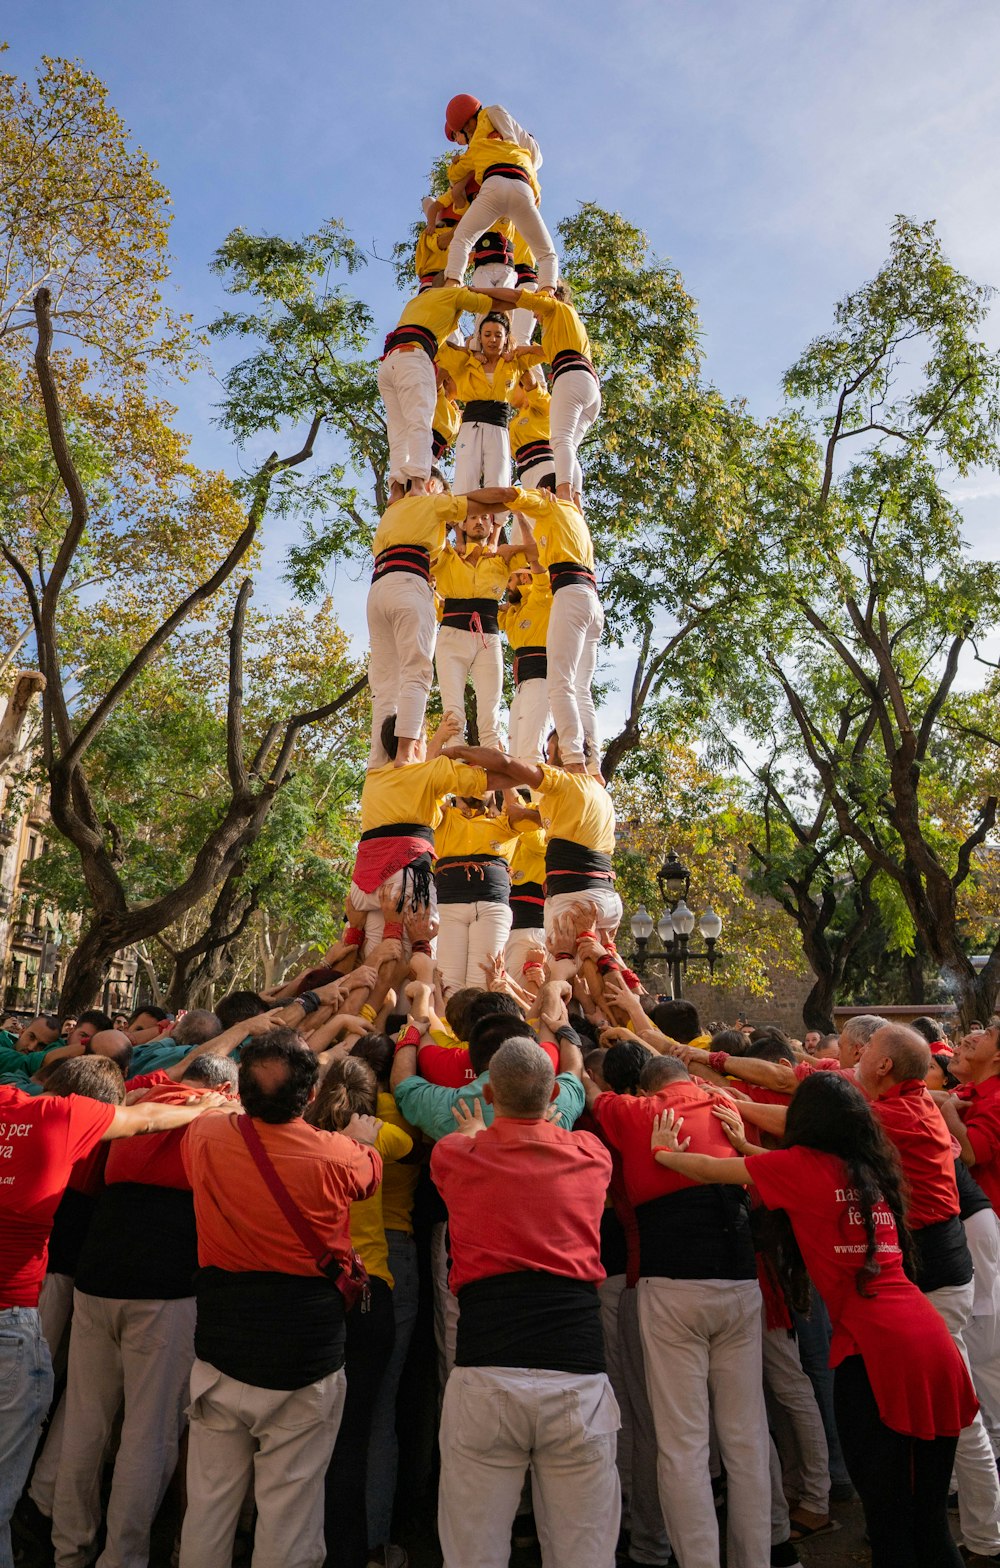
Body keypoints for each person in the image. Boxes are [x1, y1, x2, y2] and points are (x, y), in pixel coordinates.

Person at [651, 1070, 977, 1568]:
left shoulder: (802, 1167)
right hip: (928, 1339)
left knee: (888, 1523)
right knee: (929, 1520)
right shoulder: (869, 1169)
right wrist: (745, 1144)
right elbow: (789, 1172)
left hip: (876, 1352)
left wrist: (662, 1154)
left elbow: (710, 1170)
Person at [0, 1071, 224, 1568]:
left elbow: (143, 1107)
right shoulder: (64, 1118)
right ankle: (121, 1558)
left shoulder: (51, 1102)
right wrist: (207, 1108)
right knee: (147, 1432)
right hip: (150, 1288)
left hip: (96, 1279)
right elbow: (147, 1116)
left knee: (83, 1419)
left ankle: (67, 1548)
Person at [178, 1028, 382, 1568]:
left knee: (208, 1508)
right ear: (310, 1097)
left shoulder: (204, 1137)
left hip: (221, 1350)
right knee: (289, 1515)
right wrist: (364, 1137)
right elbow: (370, 1174)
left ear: (241, 1091)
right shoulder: (341, 1156)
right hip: (304, 1358)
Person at [430, 1036, 620, 1568]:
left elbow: (459, 1156)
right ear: (553, 1096)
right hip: (576, 1376)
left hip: (487, 1368)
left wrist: (472, 1132)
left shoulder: (455, 1155)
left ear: (488, 1092)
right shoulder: (592, 1155)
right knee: (584, 1553)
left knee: (472, 1552)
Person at [589, 1054, 771, 1568]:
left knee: (682, 1444)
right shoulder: (726, 1104)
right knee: (746, 1438)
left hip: (672, 1285)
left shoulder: (635, 1112)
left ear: (647, 1086)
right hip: (739, 1282)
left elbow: (588, 1085)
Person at [853, 1023, 1000, 1561]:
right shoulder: (926, 1101)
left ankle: (986, 1537)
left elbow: (972, 1151)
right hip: (951, 1252)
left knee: (968, 1402)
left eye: (864, 1050)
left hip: (958, 1247)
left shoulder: (912, 1110)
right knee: (960, 1402)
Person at [307, 1057, 411, 1568]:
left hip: (316, 1294)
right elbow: (409, 1142)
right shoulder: (379, 1140)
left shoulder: (304, 1134)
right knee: (356, 1433)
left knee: (303, 1431)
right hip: (371, 1294)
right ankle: (351, 1552)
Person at [464, 484, 602, 774]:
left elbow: (508, 497)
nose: (508, 585)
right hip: (587, 599)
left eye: (512, 579)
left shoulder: (550, 507)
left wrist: (459, 504)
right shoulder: (572, 516)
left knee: (561, 687)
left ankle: (576, 763)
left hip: (570, 599)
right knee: (578, 690)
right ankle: (592, 765)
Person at [367, 483, 501, 768]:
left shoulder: (393, 511)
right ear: (431, 485)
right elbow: (484, 502)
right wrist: (519, 499)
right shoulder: (432, 504)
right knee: (417, 675)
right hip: (408, 584)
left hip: (378, 587)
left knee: (384, 686)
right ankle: (404, 756)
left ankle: (376, 763)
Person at [439, 740, 622, 937]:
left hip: (574, 899)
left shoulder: (564, 784)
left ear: (564, 751)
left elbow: (506, 765)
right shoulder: (597, 793)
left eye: (550, 753)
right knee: (593, 959)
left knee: (570, 962)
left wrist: (454, 750)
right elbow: (525, 812)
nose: (546, 760)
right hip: (597, 896)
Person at [349, 721, 494, 951]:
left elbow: (420, 770)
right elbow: (484, 789)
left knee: (372, 958)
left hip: (365, 883)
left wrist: (437, 738)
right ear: (416, 744)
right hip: (405, 874)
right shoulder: (425, 774)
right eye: (425, 742)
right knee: (414, 956)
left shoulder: (374, 777)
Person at [377, 280, 518, 498]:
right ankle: (415, 486)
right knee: (419, 422)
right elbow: (493, 305)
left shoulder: (419, 302)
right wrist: (528, 301)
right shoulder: (452, 295)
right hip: (413, 357)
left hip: (389, 365)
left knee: (398, 430)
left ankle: (396, 490)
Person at [441, 97, 557, 293]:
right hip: (522, 187)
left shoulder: (488, 122)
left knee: (462, 240)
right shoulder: (483, 141)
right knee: (546, 253)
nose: (460, 138)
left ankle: (452, 283)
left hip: (495, 184)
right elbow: (514, 152)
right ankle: (548, 292)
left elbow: (455, 176)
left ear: (468, 122)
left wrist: (457, 162)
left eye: (459, 133)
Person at [431, 506, 511, 753]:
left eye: (485, 518)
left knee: (490, 713)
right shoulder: (447, 555)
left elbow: (535, 557)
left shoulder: (502, 557)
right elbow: (427, 544)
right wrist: (451, 527)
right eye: (473, 518)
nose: (479, 521)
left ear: (492, 525)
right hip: (452, 636)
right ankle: (456, 777)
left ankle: (496, 782)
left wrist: (503, 531)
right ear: (463, 525)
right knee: (453, 712)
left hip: (488, 637)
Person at [513, 285, 600, 504]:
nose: (535, 314)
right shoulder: (565, 325)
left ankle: (564, 494)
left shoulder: (558, 310)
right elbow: (547, 351)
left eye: (537, 308)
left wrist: (485, 294)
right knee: (567, 445)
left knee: (560, 440)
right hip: (589, 387)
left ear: (552, 296)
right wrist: (527, 351)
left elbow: (519, 298)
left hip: (572, 377)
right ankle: (576, 501)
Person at [433, 795, 517, 992]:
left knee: (485, 982)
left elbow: (523, 811)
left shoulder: (505, 818)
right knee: (448, 983)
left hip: (491, 907)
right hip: (448, 907)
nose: (474, 784)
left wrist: (503, 771)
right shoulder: (440, 814)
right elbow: (429, 783)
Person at [436, 314, 520, 498]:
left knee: (499, 481)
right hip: (471, 425)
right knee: (465, 479)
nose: (493, 340)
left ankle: (496, 526)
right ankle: (461, 525)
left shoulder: (513, 362)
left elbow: (544, 352)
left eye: (498, 335)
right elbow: (440, 345)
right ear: (479, 337)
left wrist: (515, 349)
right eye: (487, 334)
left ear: (506, 338)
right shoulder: (465, 360)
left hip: (498, 427)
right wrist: (468, 349)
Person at [938, 1017, 1000, 1214]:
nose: (977, 1039)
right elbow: (934, 1098)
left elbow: (970, 1153)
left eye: (987, 1035)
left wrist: (949, 1113)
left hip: (988, 1215)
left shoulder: (997, 1100)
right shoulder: (974, 1088)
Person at [501, 533, 552, 765]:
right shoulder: (512, 612)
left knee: (532, 748)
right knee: (516, 751)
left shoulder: (541, 597)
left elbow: (540, 574)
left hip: (541, 679)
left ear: (523, 577)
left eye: (509, 581)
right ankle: (521, 801)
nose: (506, 588)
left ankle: (541, 801)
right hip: (521, 686)